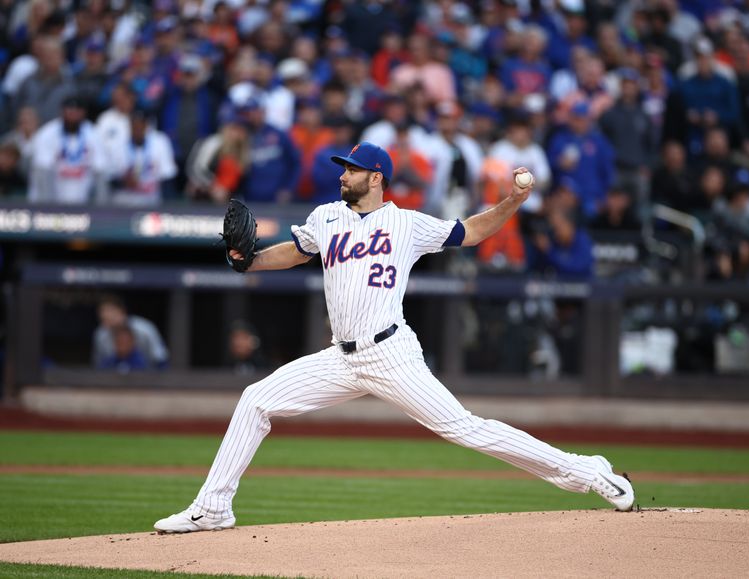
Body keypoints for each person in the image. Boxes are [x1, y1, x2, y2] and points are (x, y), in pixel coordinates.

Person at [153, 141, 635, 534]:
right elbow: (297, 252)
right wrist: (250, 260)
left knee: (463, 428)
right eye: (343, 168)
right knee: (256, 400)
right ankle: (213, 508)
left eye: (352, 169)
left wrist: (511, 202)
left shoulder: (406, 222)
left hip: (390, 353)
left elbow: (468, 232)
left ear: (376, 177)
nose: (343, 175)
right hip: (340, 358)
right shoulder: (327, 217)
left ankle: (587, 472)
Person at [92, 295, 169, 370]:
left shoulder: (145, 329)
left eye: (110, 311)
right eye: (103, 312)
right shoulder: (100, 335)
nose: (106, 315)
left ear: (122, 312)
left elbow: (161, 358)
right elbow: (98, 364)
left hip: (147, 375)